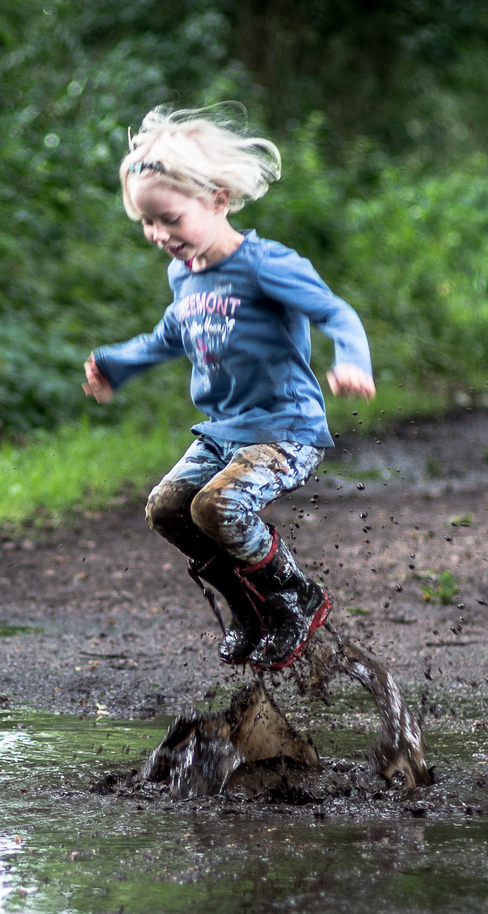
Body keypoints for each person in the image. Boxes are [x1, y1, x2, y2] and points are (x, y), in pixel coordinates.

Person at [82, 106, 375, 670]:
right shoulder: (184, 274)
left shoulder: (265, 265)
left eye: (170, 218)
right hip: (223, 433)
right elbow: (172, 334)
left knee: (218, 506)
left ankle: (294, 597)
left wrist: (353, 360)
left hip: (284, 431)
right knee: (167, 509)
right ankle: (248, 606)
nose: (159, 235)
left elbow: (337, 313)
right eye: (147, 223)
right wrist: (117, 362)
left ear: (217, 199)